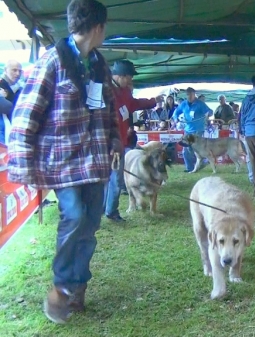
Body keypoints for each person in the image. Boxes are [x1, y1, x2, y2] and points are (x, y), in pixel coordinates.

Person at [7, 0, 120, 324]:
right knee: (74, 216)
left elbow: (110, 112)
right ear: (98, 28)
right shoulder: (52, 62)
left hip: (95, 160)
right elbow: (25, 115)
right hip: (63, 162)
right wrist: (25, 166)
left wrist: (114, 143)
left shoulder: (99, 64)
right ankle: (61, 288)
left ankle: (77, 286)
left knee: (91, 224)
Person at [106, 59, 162, 221]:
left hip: (121, 141)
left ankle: (108, 209)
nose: (131, 80)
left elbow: (133, 104)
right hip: (110, 142)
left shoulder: (124, 92)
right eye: (130, 77)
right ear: (121, 76)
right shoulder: (106, 90)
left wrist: (153, 101)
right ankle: (110, 211)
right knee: (114, 178)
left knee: (114, 178)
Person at [172, 87, 213, 172]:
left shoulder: (200, 104)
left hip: (198, 130)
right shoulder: (183, 104)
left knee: (197, 149)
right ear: (186, 95)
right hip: (187, 130)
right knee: (187, 149)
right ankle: (190, 168)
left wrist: (208, 113)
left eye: (191, 94)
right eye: (188, 94)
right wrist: (175, 118)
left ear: (194, 94)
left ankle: (203, 162)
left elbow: (210, 111)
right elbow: (176, 112)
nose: (190, 96)